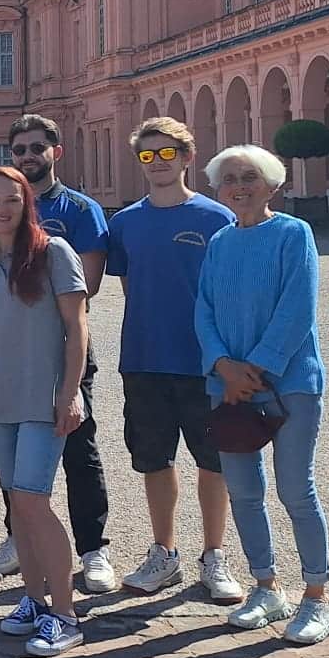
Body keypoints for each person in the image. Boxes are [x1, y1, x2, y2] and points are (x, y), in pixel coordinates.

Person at [197, 145, 329, 644]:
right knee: (244, 493)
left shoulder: (294, 233)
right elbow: (204, 309)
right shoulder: (219, 241)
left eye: (250, 176)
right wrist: (222, 366)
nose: (239, 185)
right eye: (229, 177)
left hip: (290, 382)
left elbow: (298, 307)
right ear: (218, 187)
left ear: (272, 183)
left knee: (297, 489)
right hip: (229, 387)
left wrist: (257, 368)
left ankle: (317, 596)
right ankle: (265, 586)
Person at [107, 118, 244, 604]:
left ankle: (214, 554)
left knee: (214, 460)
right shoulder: (124, 223)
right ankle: (164, 553)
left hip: (204, 362)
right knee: (154, 460)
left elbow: (231, 293)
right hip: (144, 357)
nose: (158, 163)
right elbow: (130, 287)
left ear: (187, 158)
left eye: (167, 154)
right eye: (148, 155)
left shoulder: (216, 219)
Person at [0, 114, 115, 596]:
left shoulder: (79, 209)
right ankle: (20, 538)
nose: (28, 157)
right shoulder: (3, 208)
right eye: (19, 150)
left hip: (62, 350)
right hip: (11, 356)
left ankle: (93, 547)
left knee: (79, 449)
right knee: (15, 457)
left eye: (37, 148)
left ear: (55, 151)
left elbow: (91, 284)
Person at [0, 166, 89, 658]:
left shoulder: (54, 253)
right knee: (18, 505)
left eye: (11, 199)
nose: (1, 209)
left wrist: (71, 393)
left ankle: (65, 613)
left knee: (34, 501)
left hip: (45, 397)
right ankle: (34, 600)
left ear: (26, 202)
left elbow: (77, 329)